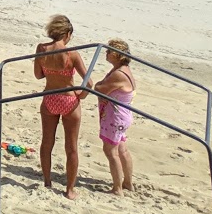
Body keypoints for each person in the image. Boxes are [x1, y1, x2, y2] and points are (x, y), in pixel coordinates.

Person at [34, 14, 91, 199]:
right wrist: (80, 96)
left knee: (47, 142)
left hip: (50, 98)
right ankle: (69, 189)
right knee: (71, 147)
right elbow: (89, 83)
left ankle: (47, 181)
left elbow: (38, 75)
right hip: (68, 99)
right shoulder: (71, 53)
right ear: (67, 33)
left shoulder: (42, 48)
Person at [97, 39, 136, 193]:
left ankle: (117, 187)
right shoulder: (122, 69)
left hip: (115, 118)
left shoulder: (119, 74)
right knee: (122, 149)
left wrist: (98, 85)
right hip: (121, 115)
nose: (106, 54)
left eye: (109, 52)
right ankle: (127, 183)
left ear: (117, 55)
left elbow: (100, 88)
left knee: (110, 151)